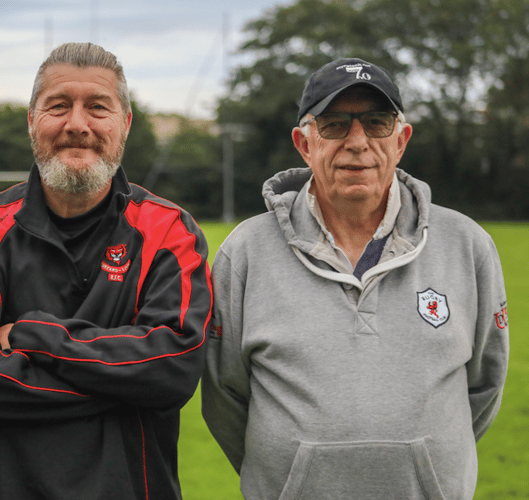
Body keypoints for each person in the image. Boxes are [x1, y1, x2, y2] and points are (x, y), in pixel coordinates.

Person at [201, 58, 509, 499]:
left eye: (376, 122)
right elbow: (224, 395)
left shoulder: (468, 245)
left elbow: (485, 385)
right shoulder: (245, 251)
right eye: (334, 124)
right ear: (304, 144)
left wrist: (427, 471)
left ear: (401, 140)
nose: (358, 142)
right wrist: (292, 478)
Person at [0, 42, 212, 500]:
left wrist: (31, 335)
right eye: (58, 106)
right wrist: (124, 384)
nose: (77, 124)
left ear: (125, 123)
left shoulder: (168, 230)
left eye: (97, 107)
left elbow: (173, 369)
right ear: (31, 120)